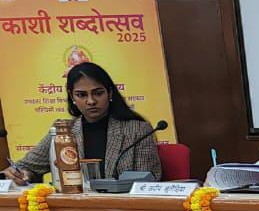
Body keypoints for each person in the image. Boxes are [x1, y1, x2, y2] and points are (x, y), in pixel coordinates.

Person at [2, 62, 162, 184]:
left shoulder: (137, 130)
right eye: (82, 95)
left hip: (124, 209)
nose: (91, 101)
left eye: (98, 93)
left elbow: (149, 180)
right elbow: (26, 166)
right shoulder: (63, 130)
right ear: (72, 96)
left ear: (109, 93)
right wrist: (21, 174)